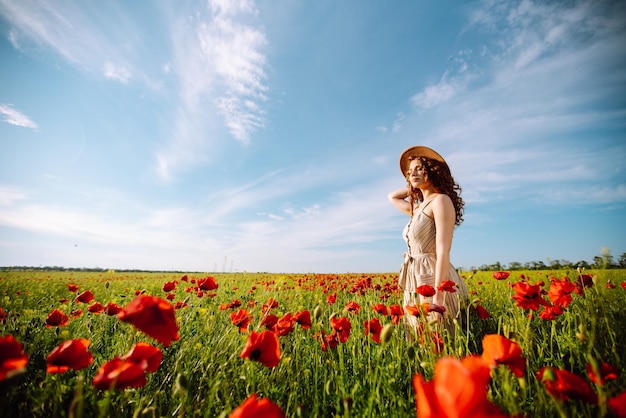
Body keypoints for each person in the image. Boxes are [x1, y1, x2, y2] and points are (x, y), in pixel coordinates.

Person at [388, 145, 468, 334]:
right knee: (419, 336)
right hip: (414, 277)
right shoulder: (418, 209)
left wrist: (438, 299)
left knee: (439, 337)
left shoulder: (441, 201)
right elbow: (392, 197)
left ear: (432, 171)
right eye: (409, 172)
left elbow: (443, 251)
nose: (412, 173)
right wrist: (412, 186)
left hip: (432, 275)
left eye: (419, 168)